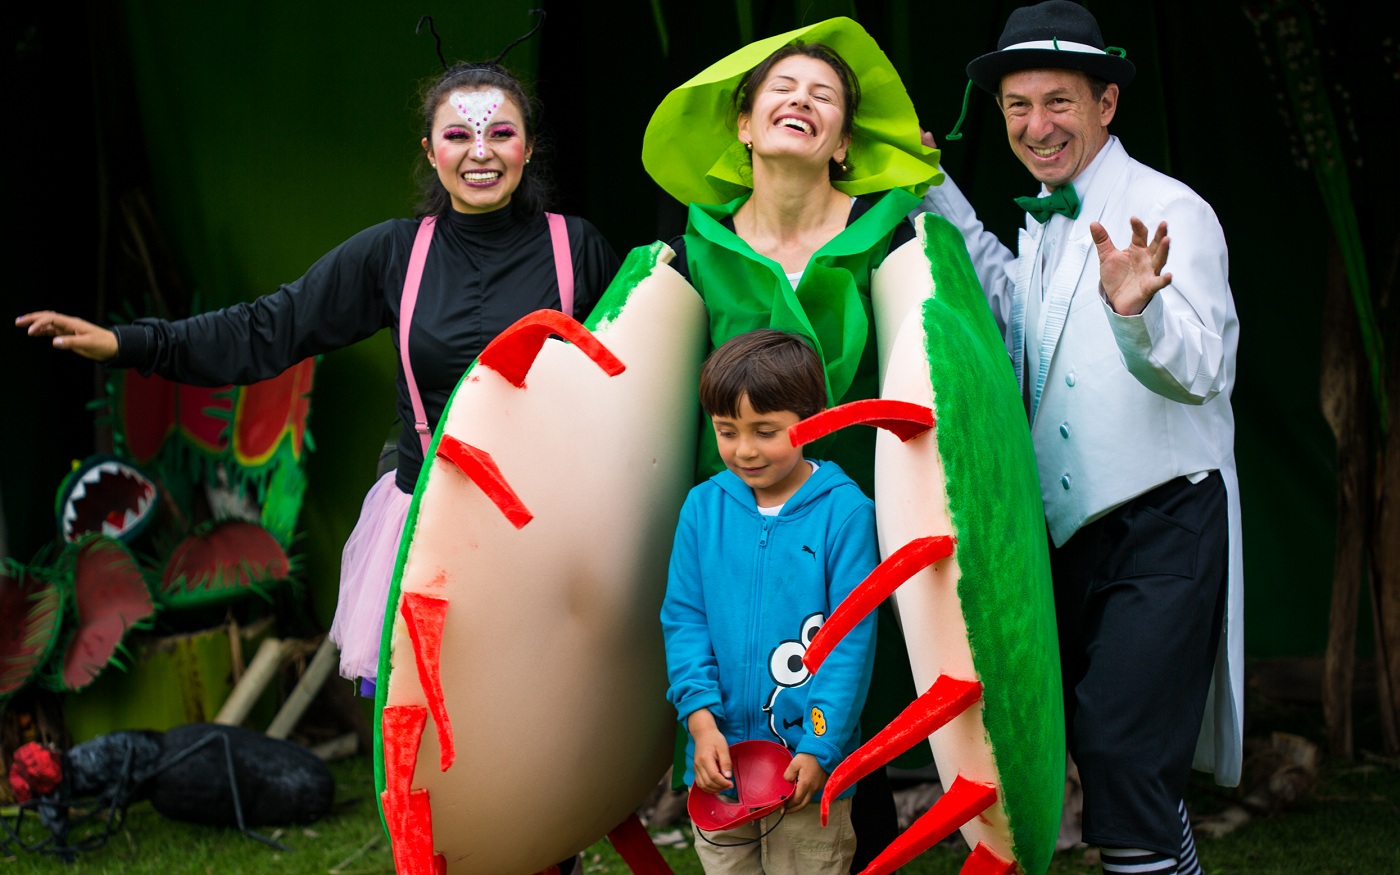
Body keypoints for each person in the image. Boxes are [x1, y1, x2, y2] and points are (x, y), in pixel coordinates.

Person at [16, 51, 620, 693]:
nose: (481, 152)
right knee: (444, 733)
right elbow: (268, 327)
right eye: (458, 134)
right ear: (430, 149)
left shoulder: (575, 248)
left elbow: (636, 377)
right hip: (433, 527)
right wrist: (128, 344)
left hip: (549, 528)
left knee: (544, 714)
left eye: (501, 133)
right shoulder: (394, 253)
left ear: (528, 146)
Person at [919, 3, 1242, 873]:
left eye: (1057, 102)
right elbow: (1005, 296)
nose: (1037, 125)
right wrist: (928, 184)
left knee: (1123, 754)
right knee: (1108, 752)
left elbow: (1204, 367)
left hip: (1165, 518)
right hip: (1066, 535)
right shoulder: (1049, 220)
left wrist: (1136, 314)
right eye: (1018, 107)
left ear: (1106, 104)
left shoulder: (1170, 209)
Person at [642, 20, 947, 866]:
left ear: (844, 140)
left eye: (824, 96)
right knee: (741, 718)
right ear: (744, 123)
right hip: (730, 524)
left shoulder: (897, 235)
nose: (801, 102)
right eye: (782, 89)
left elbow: (950, 364)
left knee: (853, 729)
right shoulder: (689, 249)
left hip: (857, 522)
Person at [661, 329, 880, 875]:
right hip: (720, 764)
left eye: (765, 431)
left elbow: (850, 643)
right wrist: (700, 722)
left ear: (815, 419)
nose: (744, 450)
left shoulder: (847, 514)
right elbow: (684, 620)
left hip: (808, 766)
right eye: (727, 432)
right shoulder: (701, 508)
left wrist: (819, 746)